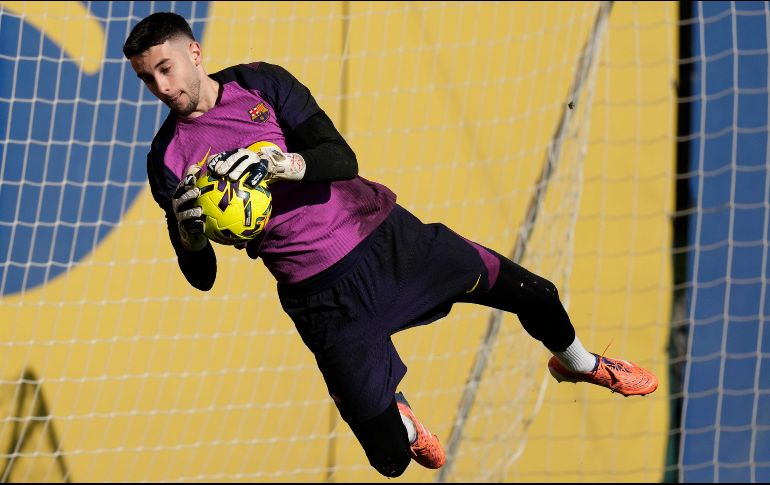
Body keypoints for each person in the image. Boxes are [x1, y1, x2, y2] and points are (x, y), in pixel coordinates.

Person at [123, 12, 658, 478]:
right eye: (148, 80)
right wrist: (190, 236)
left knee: (535, 293)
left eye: (165, 68)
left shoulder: (261, 84)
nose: (162, 88)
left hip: (387, 242)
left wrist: (282, 163)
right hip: (323, 302)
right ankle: (396, 410)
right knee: (391, 462)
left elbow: (341, 158)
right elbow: (201, 276)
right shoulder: (166, 160)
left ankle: (582, 365)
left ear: (194, 51)